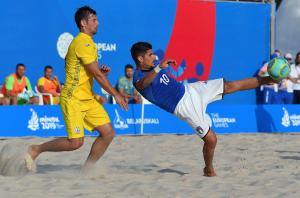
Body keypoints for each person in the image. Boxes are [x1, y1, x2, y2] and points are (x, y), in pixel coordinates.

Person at [130, 42, 278, 177]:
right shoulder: (138, 76)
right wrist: (159, 67)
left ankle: (268, 80)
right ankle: (208, 168)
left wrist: (159, 66)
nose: (154, 56)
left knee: (229, 86)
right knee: (211, 140)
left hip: (190, 90)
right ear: (140, 59)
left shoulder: (153, 67)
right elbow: (143, 84)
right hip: (183, 107)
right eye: (150, 54)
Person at [26, 6, 128, 172]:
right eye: (94, 20)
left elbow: (92, 72)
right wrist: (116, 94)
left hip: (87, 98)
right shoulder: (82, 42)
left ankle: (87, 169)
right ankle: (36, 149)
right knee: (75, 143)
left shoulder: (89, 43)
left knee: (108, 133)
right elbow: (98, 76)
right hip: (73, 98)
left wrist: (99, 73)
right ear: (83, 23)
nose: (98, 23)